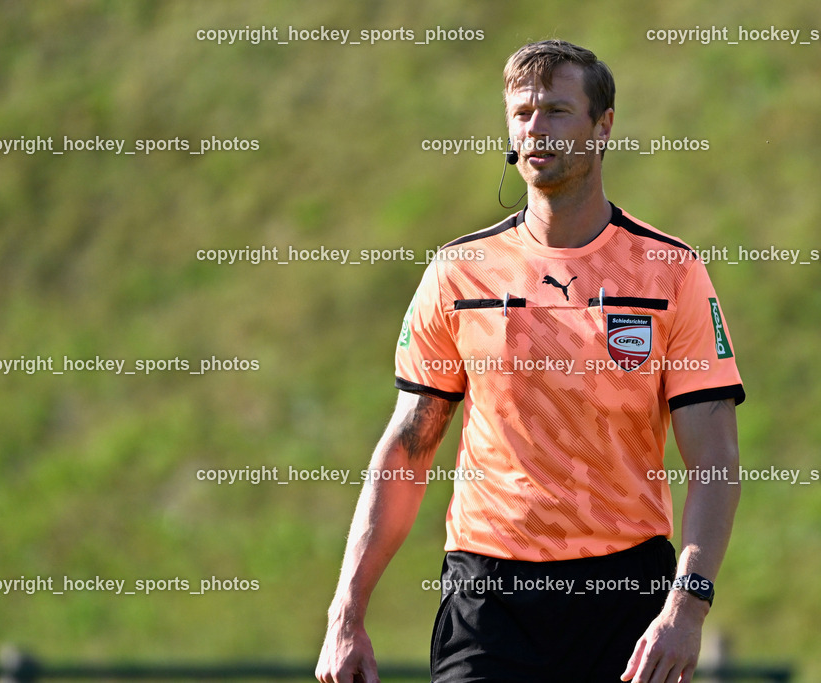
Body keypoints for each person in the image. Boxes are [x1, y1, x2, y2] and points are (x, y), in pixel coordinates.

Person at [316, 39, 744, 683]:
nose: (536, 129)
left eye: (557, 111)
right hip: (489, 598)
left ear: (603, 126)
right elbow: (407, 449)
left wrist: (686, 608)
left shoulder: (670, 272)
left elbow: (714, 459)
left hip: (625, 594)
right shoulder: (460, 271)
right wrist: (346, 613)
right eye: (522, 113)